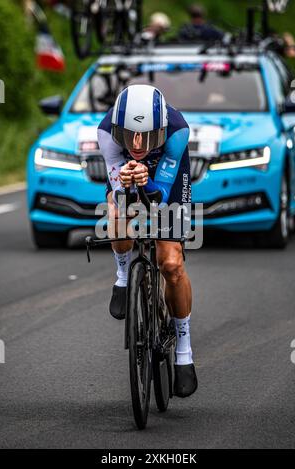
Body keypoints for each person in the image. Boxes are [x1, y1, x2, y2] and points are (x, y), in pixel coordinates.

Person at [97, 84, 198, 398]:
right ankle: (124, 275)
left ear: (161, 129)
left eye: (146, 136)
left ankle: (184, 348)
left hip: (165, 178)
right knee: (115, 217)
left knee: (171, 263)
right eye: (130, 135)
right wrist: (125, 184)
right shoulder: (105, 132)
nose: (137, 144)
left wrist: (148, 179)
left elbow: (161, 197)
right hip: (129, 179)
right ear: (118, 129)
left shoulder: (178, 131)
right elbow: (121, 197)